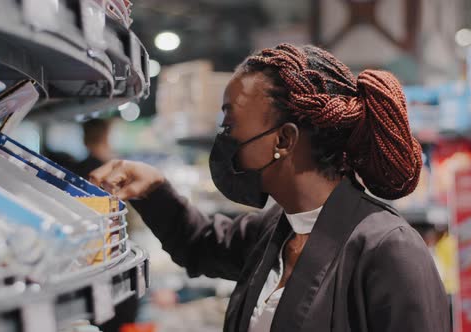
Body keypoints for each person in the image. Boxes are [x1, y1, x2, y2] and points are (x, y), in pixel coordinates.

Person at [91, 44, 450, 332]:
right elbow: (201, 243)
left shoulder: (389, 249)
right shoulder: (276, 229)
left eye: (230, 122)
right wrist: (153, 189)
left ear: (283, 140)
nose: (224, 137)